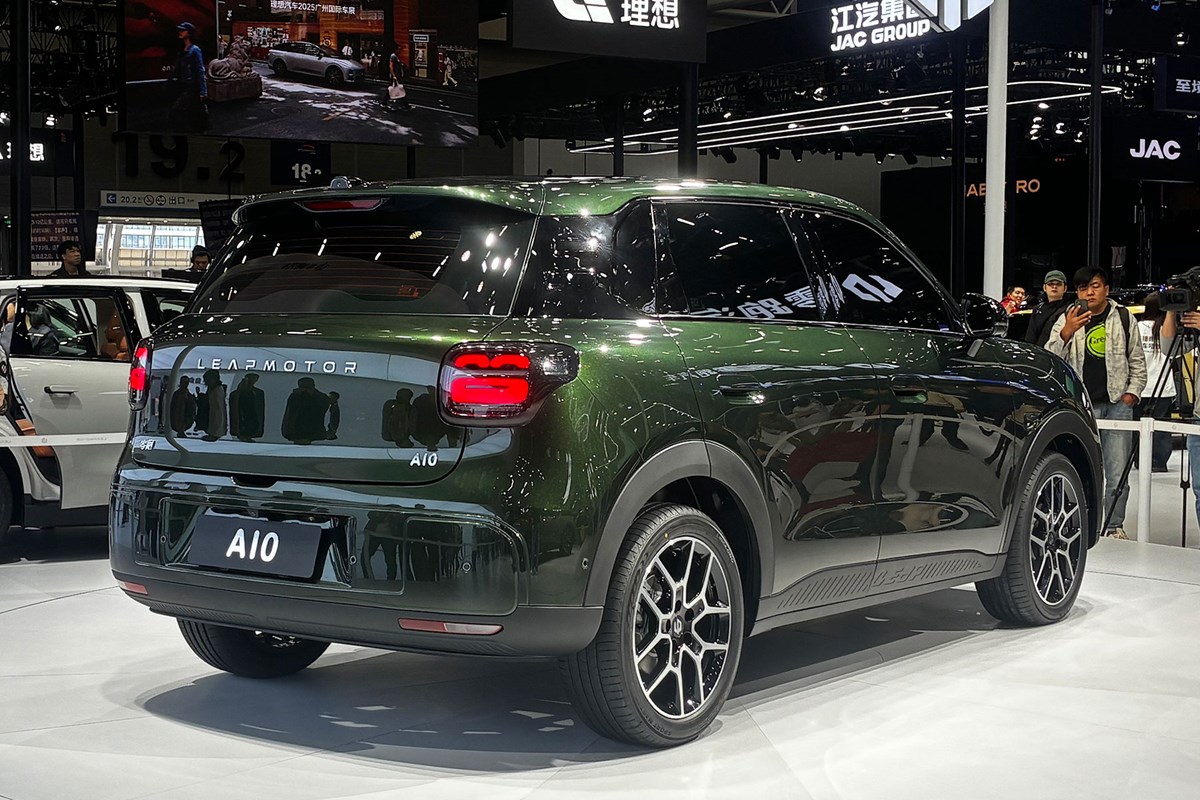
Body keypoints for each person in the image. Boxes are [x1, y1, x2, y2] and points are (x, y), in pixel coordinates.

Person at [1047, 266, 1147, 539]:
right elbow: (1051, 358)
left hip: (1117, 404)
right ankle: (1077, 524)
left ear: (1106, 289)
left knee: (1117, 471)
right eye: (1083, 288)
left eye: (1095, 286)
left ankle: (1113, 526)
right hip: (1081, 406)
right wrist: (1067, 332)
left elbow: (1137, 360)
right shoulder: (1067, 317)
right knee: (1078, 468)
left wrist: (1132, 394)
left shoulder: (1123, 317)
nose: (1089, 293)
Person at [1137, 293, 1175, 473]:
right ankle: (1159, 463)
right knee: (1161, 430)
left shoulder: (1136, 327)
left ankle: (1139, 460)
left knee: (1137, 429)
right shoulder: (1168, 329)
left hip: (1140, 388)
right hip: (1163, 388)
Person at [171, 22, 208, 133]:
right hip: (184, 86)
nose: (180, 32)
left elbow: (200, 70)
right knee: (189, 112)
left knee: (177, 111)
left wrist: (203, 91)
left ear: (189, 33)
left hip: (192, 87)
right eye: (179, 30)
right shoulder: (183, 49)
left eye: (183, 30)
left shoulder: (195, 50)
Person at [1025, 270, 1070, 346]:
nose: (1054, 287)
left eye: (1058, 284)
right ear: (1044, 287)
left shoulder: (1069, 309)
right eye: (1050, 284)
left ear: (1065, 288)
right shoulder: (1037, 309)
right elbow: (1030, 338)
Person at [387, 44, 412, 110]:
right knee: (400, 89)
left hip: (397, 76)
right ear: (396, 49)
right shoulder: (393, 56)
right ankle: (406, 106)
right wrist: (394, 76)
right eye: (399, 49)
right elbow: (391, 66)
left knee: (391, 89)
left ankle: (384, 102)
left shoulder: (396, 56)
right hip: (395, 77)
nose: (400, 51)